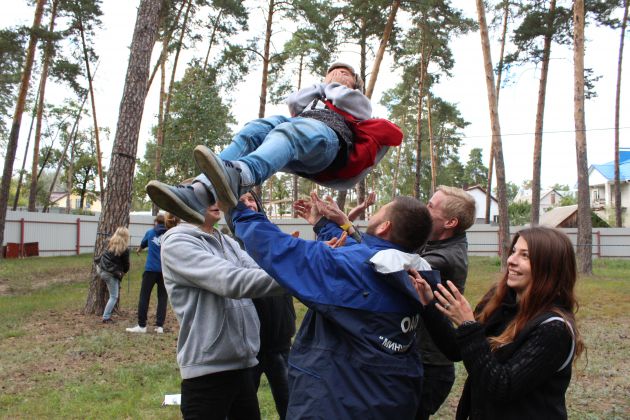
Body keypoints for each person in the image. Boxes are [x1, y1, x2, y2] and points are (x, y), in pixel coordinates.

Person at [216, 189, 434, 418]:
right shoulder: (412, 273)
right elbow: (363, 253)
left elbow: (279, 249)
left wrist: (236, 209)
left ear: (384, 227)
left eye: (379, 212)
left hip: (337, 405)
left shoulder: (353, 270)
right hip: (391, 399)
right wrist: (322, 224)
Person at [145, 62, 402, 225]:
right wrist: (322, 86)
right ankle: (198, 193)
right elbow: (294, 103)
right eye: (332, 72)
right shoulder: (318, 95)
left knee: (291, 130)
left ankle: (240, 175)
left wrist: (333, 85)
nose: (337, 74)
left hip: (331, 142)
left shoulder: (356, 99)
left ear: (354, 83)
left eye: (344, 73)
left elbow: (353, 105)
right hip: (301, 133)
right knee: (255, 129)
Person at [410, 226, 584, 419]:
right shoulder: (500, 301)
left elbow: (502, 387)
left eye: (525, 256)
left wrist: (469, 327)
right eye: (514, 251)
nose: (511, 260)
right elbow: (456, 350)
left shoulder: (554, 329)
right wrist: (429, 306)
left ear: (550, 267)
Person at [160, 195, 285, 419]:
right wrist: (300, 275)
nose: (215, 202)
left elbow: (259, 270)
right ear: (184, 204)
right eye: (204, 197)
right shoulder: (177, 243)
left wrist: (310, 256)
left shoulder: (226, 241)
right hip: (207, 373)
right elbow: (233, 281)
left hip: (242, 365)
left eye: (214, 197)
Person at [231, 191, 296, 420]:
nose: (249, 204)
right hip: (248, 345)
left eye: (251, 199)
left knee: (290, 404)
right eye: (241, 201)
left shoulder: (274, 235)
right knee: (243, 409)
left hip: (280, 340)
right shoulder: (230, 244)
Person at [414, 186, 476, 419]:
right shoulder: (438, 241)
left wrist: (348, 229)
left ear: (450, 223)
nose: (424, 209)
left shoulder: (444, 258)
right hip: (421, 358)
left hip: (429, 368)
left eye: (431, 206)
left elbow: (391, 267)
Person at [126, 214, 168, 334]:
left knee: (144, 296)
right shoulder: (169, 234)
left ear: (155, 222)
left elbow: (143, 243)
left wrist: (139, 249)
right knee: (162, 298)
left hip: (150, 270)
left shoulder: (150, 232)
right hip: (164, 271)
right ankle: (160, 326)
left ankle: (142, 325)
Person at [98, 227, 130, 324]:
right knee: (114, 296)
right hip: (110, 273)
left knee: (112, 293)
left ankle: (106, 315)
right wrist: (123, 272)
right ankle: (106, 317)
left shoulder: (108, 243)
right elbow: (126, 265)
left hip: (101, 269)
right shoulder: (124, 249)